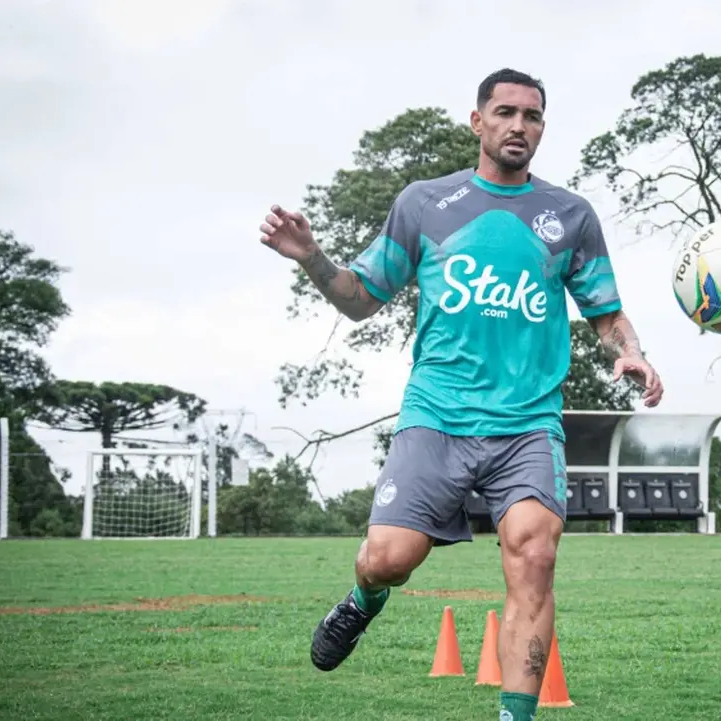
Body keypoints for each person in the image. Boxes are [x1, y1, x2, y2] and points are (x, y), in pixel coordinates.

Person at [258, 67, 663, 721]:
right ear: (478, 122)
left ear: (542, 128)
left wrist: (634, 354)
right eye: (505, 112)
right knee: (388, 558)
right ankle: (363, 601)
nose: (518, 126)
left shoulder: (570, 217)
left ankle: (515, 715)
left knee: (535, 552)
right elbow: (360, 299)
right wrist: (311, 256)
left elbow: (607, 315)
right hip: (437, 417)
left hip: (528, 423)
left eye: (531, 116)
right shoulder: (425, 204)